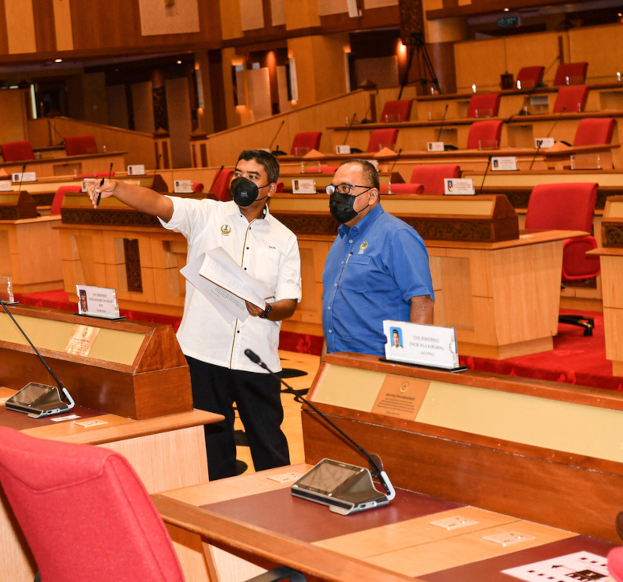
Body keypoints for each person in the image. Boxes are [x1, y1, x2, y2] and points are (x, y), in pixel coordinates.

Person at [90, 150, 301, 480]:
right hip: (203, 354)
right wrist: (116, 187)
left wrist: (268, 309)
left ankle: (279, 515)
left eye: (253, 176)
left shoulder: (285, 238)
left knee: (269, 446)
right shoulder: (207, 214)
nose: (242, 181)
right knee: (211, 447)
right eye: (238, 173)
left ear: (272, 188)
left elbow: (290, 302)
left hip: (256, 358)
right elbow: (159, 203)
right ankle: (218, 514)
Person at [322, 159, 434, 356]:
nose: (337, 196)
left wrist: (415, 368)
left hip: (381, 360)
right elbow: (332, 307)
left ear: (372, 195)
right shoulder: (342, 237)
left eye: (346, 188)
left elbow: (422, 302)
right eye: (334, 189)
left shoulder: (397, 235)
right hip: (338, 360)